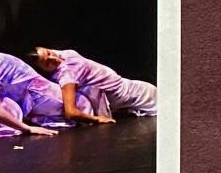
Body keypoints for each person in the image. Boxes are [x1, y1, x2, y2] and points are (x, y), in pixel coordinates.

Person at [30, 46, 158, 122]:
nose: (53, 58)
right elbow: (71, 112)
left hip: (139, 91)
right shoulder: (66, 76)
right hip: (134, 95)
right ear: (44, 70)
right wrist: (97, 119)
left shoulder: (64, 54)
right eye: (47, 63)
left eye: (48, 52)